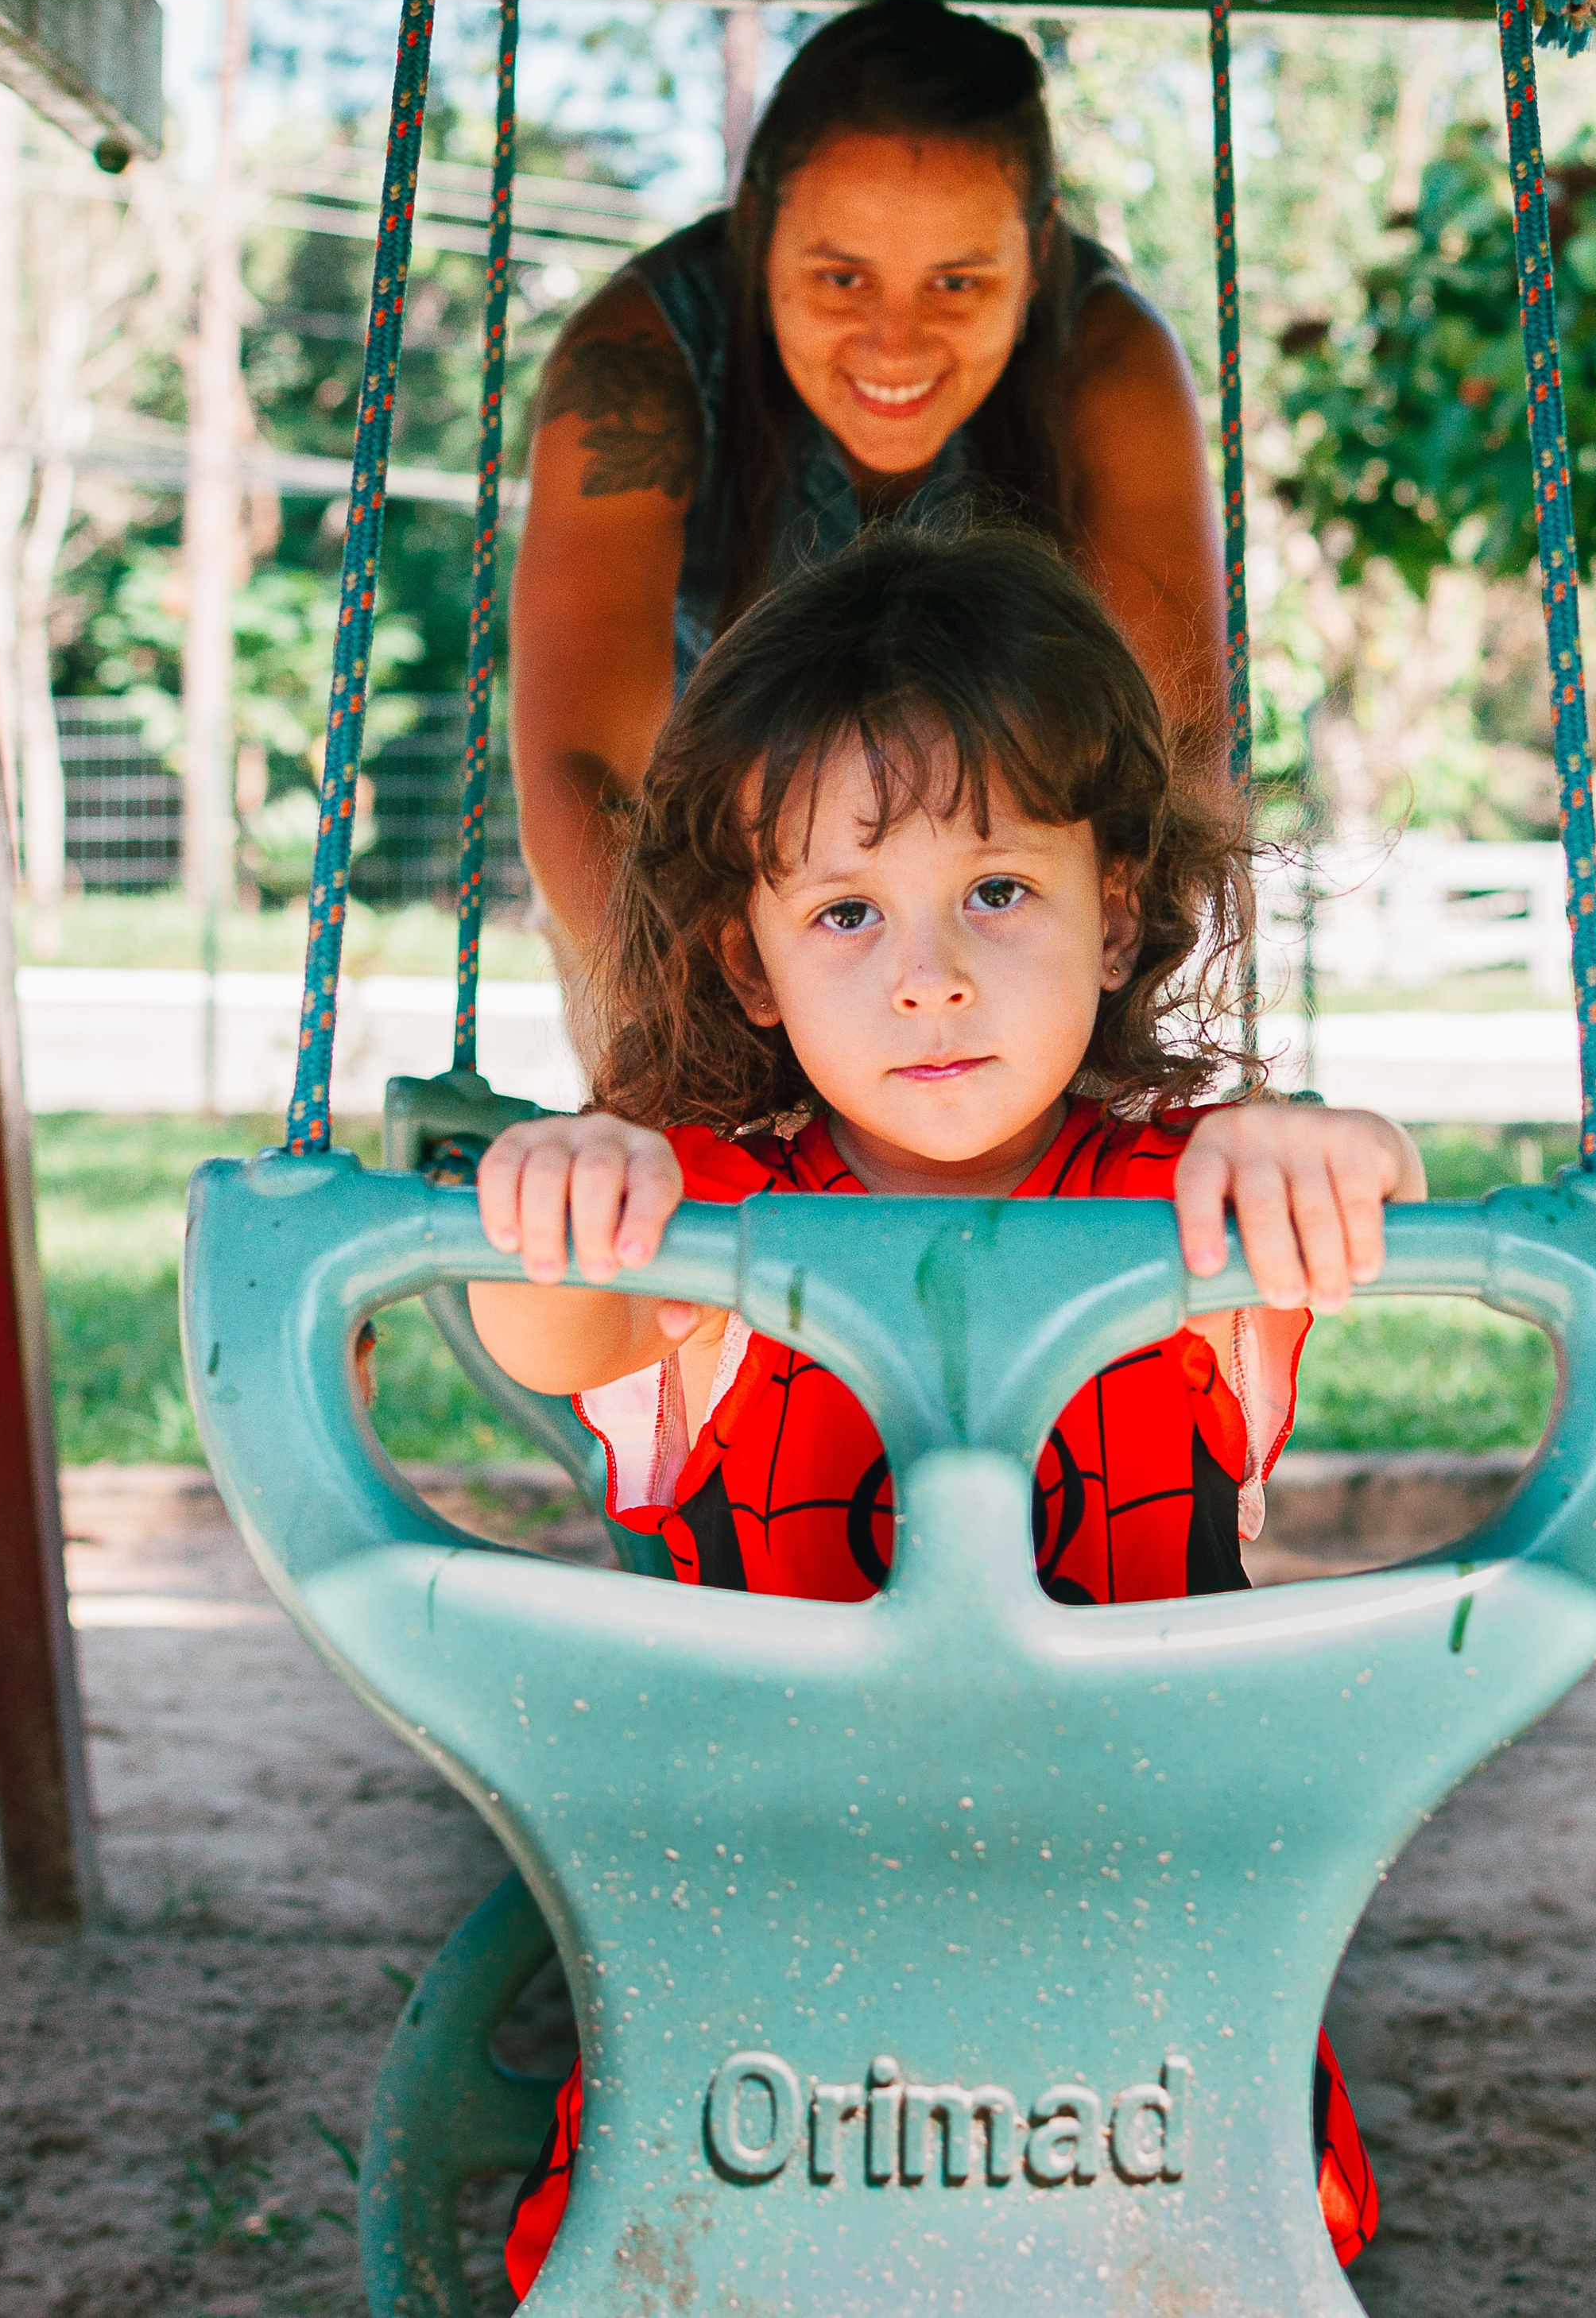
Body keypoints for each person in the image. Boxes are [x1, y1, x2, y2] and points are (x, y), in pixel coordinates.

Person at [471, 520, 1424, 2294]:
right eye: (845, 910)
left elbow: (1349, 1208)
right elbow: (545, 1329)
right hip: (772, 1968)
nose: (928, 972)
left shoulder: (1196, 1210)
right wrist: (567, 1183)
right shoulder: (700, 1224)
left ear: (1114, 904)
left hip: (1137, 1966)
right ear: (750, 966)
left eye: (996, 888)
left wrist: (1327, 1151)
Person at [509, 0, 1226, 963]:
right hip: (703, 902)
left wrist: (1102, 1014)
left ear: (1038, 246)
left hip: (998, 913)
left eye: (957, 283)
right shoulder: (640, 359)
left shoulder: (1109, 360)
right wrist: (678, 1037)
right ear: (758, 229)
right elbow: (580, 769)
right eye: (842, 280)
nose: (895, 344)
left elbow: (1175, 759)